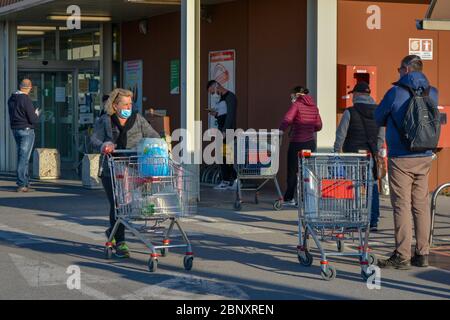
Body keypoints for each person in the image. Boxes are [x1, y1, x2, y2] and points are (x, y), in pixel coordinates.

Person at [375, 55, 439, 269]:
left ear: (407, 69)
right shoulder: (433, 92)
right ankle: (422, 254)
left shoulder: (395, 92)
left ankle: (402, 255)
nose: (398, 72)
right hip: (424, 154)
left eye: (400, 69)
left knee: (401, 206)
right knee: (421, 205)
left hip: (401, 157)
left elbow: (378, 116)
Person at [91, 88, 160, 258]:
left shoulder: (138, 119)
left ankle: (112, 231)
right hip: (111, 169)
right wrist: (104, 145)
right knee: (117, 205)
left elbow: (153, 135)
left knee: (128, 205)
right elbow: (94, 139)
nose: (129, 106)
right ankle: (120, 242)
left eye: (131, 103)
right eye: (125, 103)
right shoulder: (105, 120)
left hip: (134, 168)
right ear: (115, 105)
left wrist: (152, 145)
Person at [333, 82, 385, 231]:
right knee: (372, 186)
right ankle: (373, 220)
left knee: (353, 186)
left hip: (352, 156)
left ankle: (354, 219)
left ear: (357, 95)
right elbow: (381, 135)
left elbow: (340, 135)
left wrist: (336, 153)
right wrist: (376, 149)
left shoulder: (350, 112)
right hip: (370, 155)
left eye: (353, 94)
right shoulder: (379, 112)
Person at [279, 86, 322, 206]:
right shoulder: (314, 107)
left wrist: (281, 130)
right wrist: (308, 128)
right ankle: (305, 198)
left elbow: (287, 119)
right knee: (306, 171)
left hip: (297, 142)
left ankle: (289, 198)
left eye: (293, 94)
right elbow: (319, 126)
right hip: (310, 143)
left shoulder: (296, 105)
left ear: (297, 94)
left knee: (293, 170)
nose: (292, 97)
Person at [8, 79, 40, 193]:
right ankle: (22, 184)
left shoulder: (11, 98)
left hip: (15, 129)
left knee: (22, 155)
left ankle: (25, 183)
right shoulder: (25, 99)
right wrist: (36, 114)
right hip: (26, 130)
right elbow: (33, 119)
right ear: (29, 87)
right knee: (24, 158)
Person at [206, 80, 238, 190]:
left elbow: (230, 116)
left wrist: (225, 131)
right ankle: (228, 180)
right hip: (222, 131)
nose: (212, 94)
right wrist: (215, 114)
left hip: (228, 132)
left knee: (227, 156)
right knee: (222, 156)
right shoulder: (221, 98)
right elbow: (222, 115)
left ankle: (232, 180)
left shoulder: (230, 97)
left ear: (216, 86)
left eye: (211, 91)